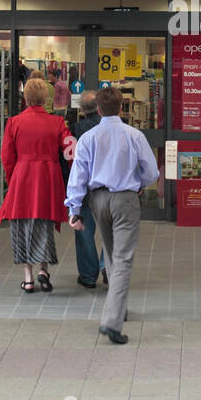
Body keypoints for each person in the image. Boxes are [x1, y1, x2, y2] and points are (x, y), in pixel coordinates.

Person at [65, 85, 160, 344]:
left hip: (98, 200)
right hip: (126, 199)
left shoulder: (88, 138)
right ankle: (112, 321)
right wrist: (138, 184)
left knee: (111, 253)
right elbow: (151, 172)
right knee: (123, 259)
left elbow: (78, 177)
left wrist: (74, 209)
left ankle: (119, 309)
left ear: (98, 109)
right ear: (121, 108)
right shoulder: (134, 135)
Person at [0, 77, 72, 293]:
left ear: (25, 97)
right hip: (48, 176)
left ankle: (28, 278)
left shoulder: (14, 122)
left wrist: (12, 180)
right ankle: (44, 270)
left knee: (22, 224)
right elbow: (70, 150)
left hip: (23, 175)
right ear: (45, 98)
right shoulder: (57, 122)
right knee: (44, 221)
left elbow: (6, 156)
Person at [70, 90, 107, 288]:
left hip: (85, 189)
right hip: (108, 188)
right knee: (109, 231)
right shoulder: (109, 127)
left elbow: (72, 161)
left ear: (82, 109)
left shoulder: (76, 129)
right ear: (99, 108)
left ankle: (88, 276)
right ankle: (106, 266)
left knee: (84, 232)